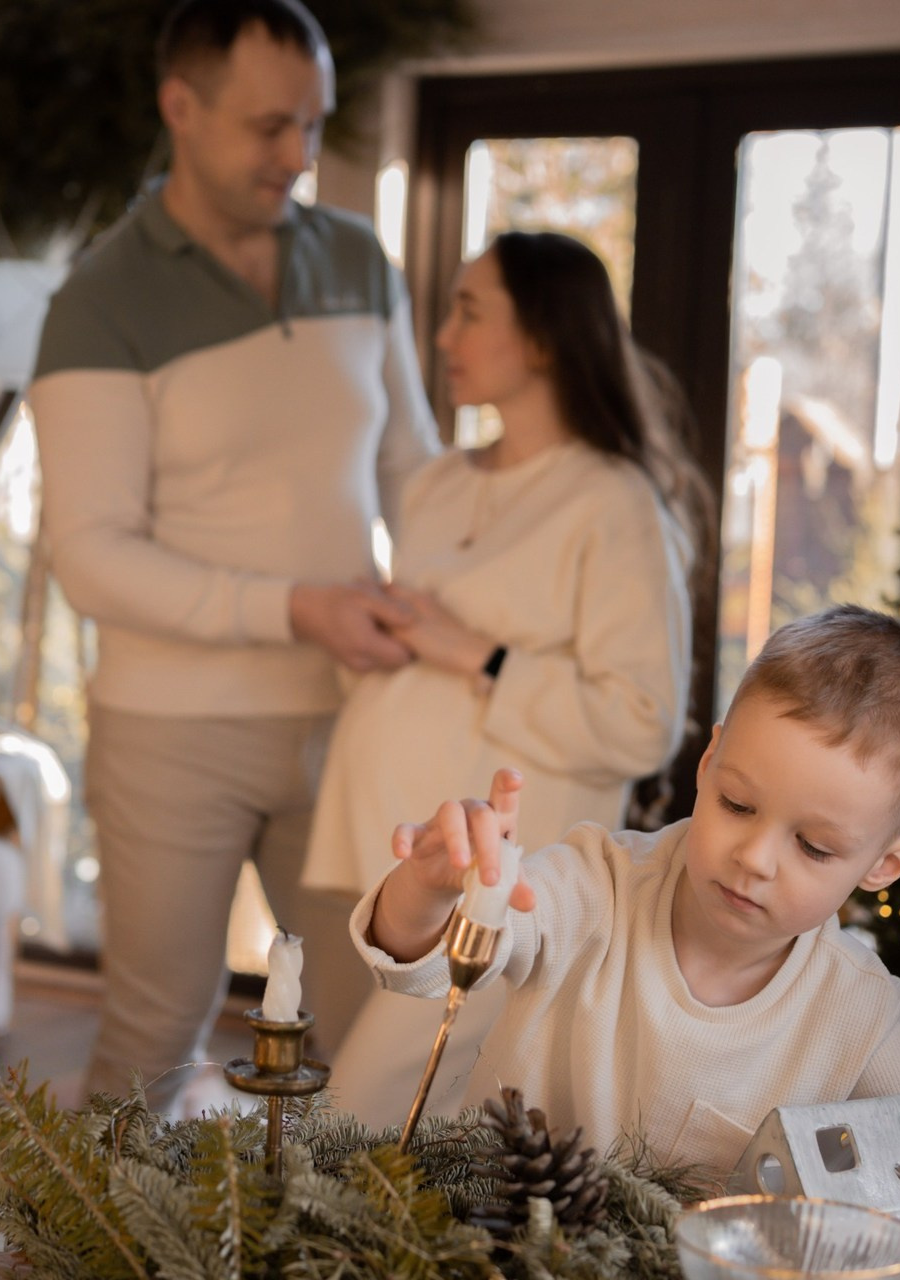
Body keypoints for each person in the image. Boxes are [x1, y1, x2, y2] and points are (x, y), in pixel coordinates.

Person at [28, 0, 439, 1111]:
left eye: (313, 123)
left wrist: (453, 603)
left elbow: (414, 463)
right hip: (171, 735)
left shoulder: (357, 258)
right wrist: (296, 605)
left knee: (371, 1027)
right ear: (181, 107)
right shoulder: (98, 302)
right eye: (269, 126)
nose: (297, 156)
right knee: (155, 1036)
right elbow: (94, 557)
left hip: (352, 717)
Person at [352, 605, 900, 1261]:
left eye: (815, 848)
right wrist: (432, 888)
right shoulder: (597, 886)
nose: (755, 859)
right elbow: (429, 959)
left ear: (885, 864)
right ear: (708, 764)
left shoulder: (856, 1015)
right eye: (737, 805)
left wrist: (812, 1238)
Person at [305, 229, 713, 1125]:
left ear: (542, 335)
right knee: (370, 1131)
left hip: (493, 889)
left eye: (468, 311)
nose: (442, 337)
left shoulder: (614, 503)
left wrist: (480, 655)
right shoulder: (436, 484)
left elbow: (642, 721)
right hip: (373, 848)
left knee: (360, 1123)